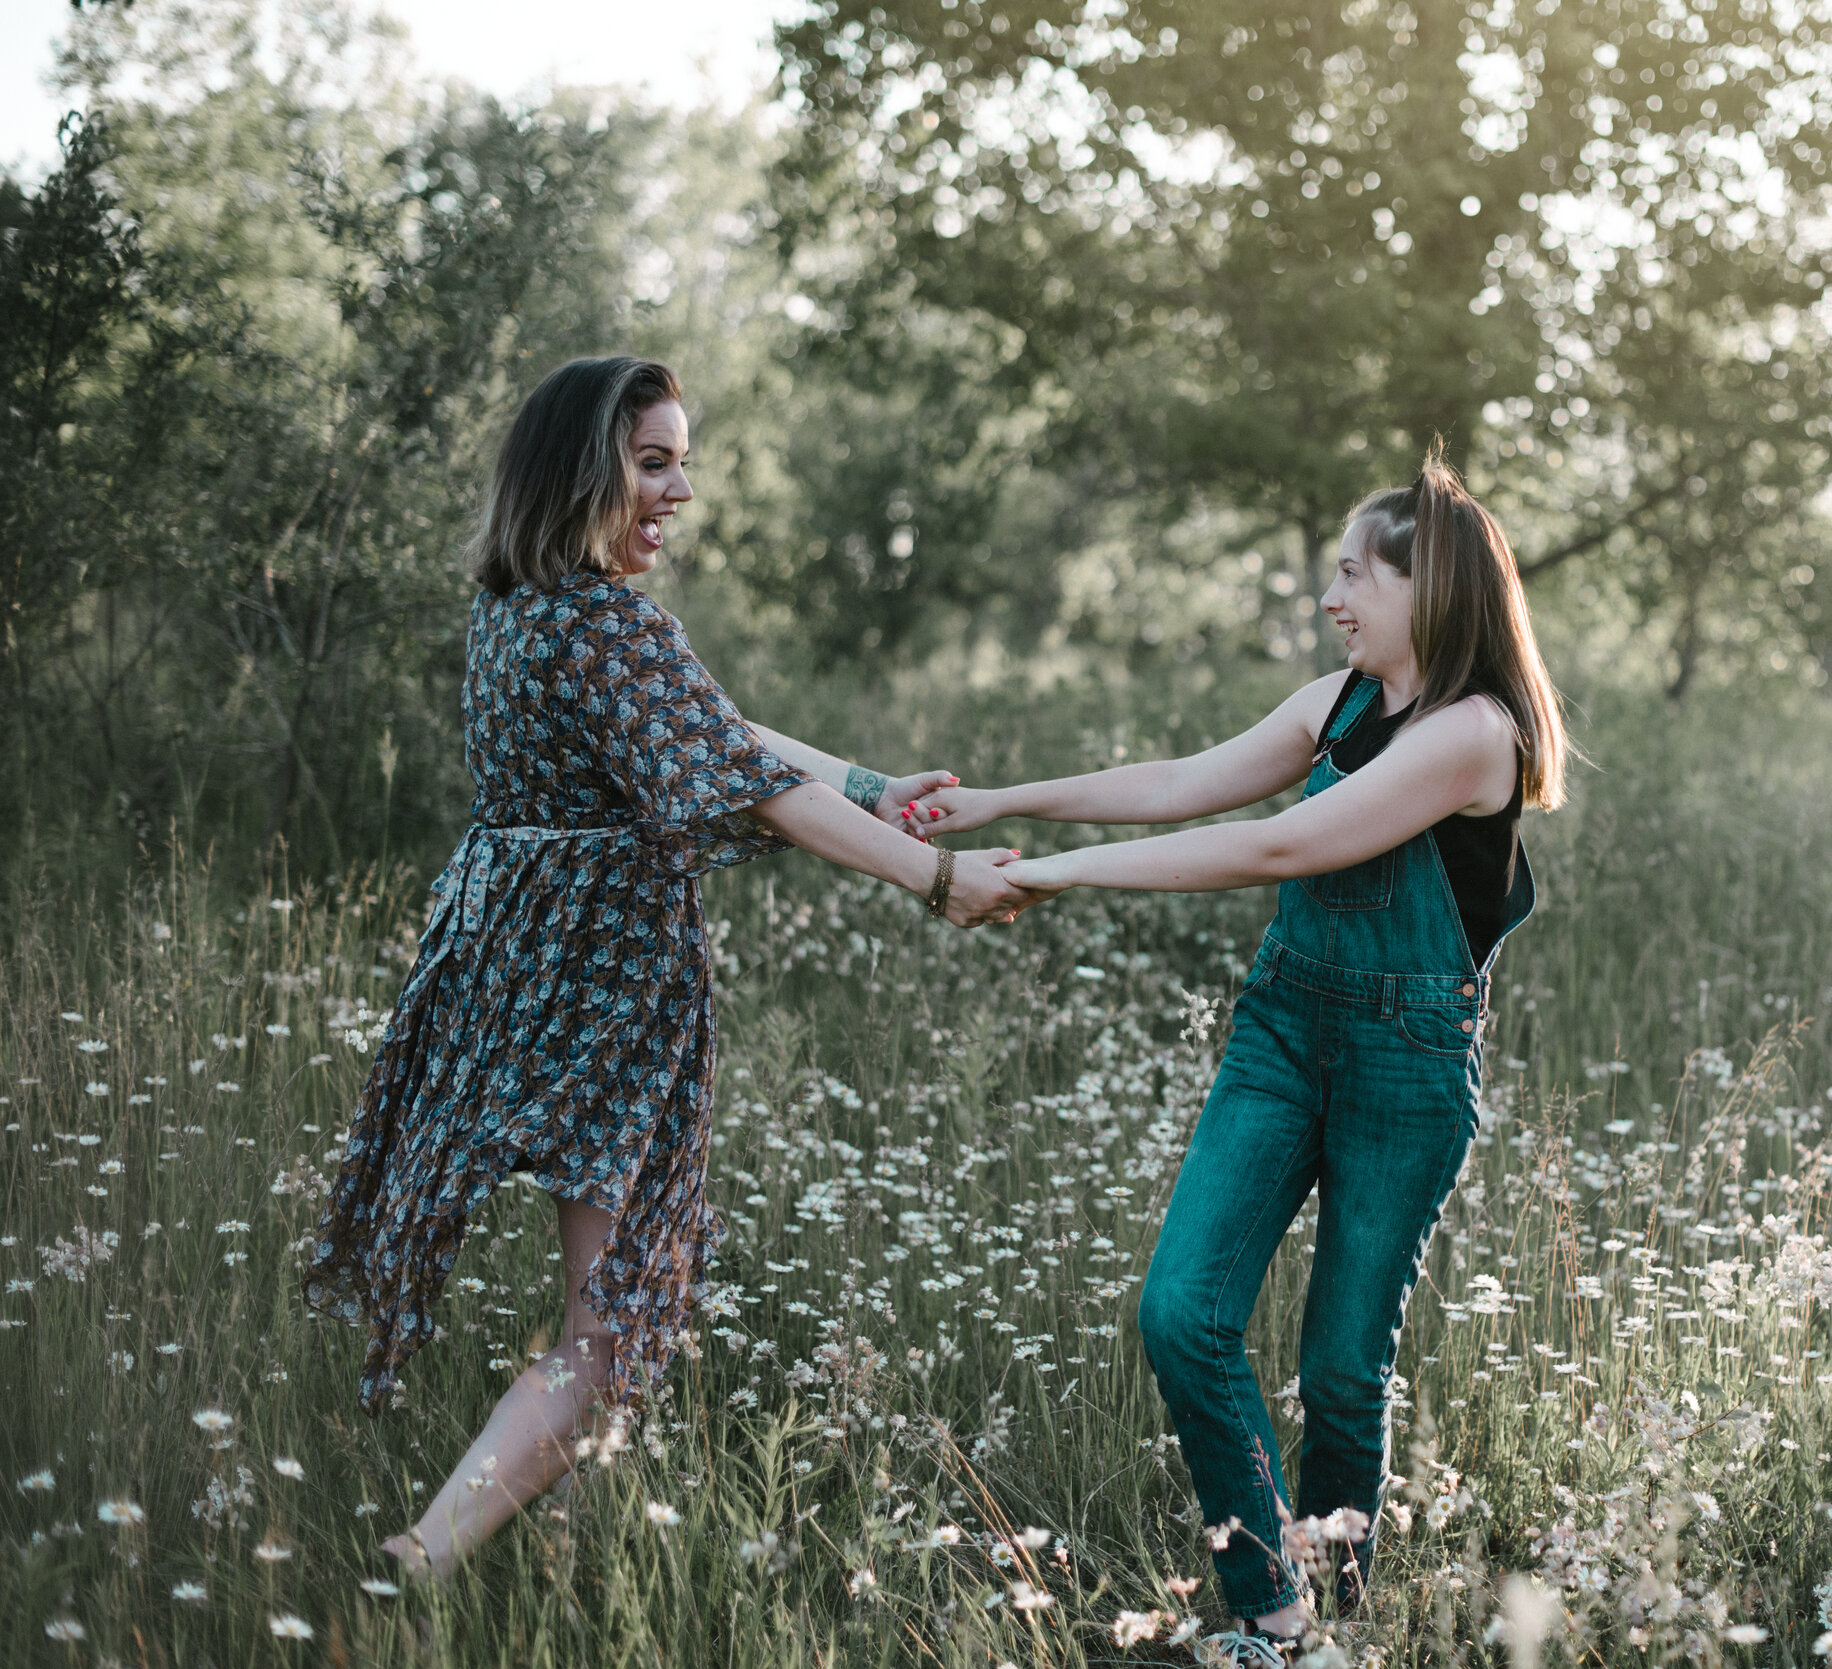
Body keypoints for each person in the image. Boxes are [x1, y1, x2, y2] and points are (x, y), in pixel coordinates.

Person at [300, 355, 1032, 1578]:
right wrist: (941, 881)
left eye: (681, 462)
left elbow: (714, 729)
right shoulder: (606, 623)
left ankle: (568, 1562)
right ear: (579, 470)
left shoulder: (519, 610)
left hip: (512, 971)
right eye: (653, 462)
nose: (679, 489)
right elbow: (749, 782)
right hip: (603, 994)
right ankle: (418, 1566)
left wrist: (868, 787)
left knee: (611, 1319)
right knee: (612, 1333)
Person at [910, 454, 1570, 1660]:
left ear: (1430, 591)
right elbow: (1179, 783)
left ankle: (1340, 1628)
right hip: (1282, 1033)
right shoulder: (1337, 703)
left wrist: (1053, 880)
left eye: (1352, 573)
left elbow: (1277, 850)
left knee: (1339, 1367)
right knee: (1181, 1314)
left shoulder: (1475, 734)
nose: (1332, 597)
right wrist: (1006, 803)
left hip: (1406, 1067)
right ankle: (1272, 1604)